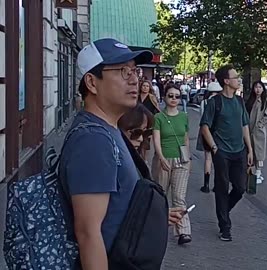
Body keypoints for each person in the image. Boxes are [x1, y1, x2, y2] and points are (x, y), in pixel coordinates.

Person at [58, 38, 155, 269]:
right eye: (123, 71)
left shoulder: (108, 129)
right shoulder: (93, 140)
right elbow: (89, 234)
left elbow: (115, 205)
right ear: (92, 82)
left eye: (135, 70)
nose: (134, 79)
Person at [200, 64, 253, 242]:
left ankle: (224, 211)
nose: (238, 79)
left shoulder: (239, 101)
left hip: (239, 151)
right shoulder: (215, 102)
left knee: (240, 187)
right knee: (222, 188)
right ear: (226, 81)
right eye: (235, 76)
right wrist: (214, 147)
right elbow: (204, 126)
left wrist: (250, 149)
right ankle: (225, 227)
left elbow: (244, 125)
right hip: (221, 151)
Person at [118, 103, 185, 226]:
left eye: (145, 133)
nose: (141, 139)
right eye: (135, 132)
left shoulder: (133, 159)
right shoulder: (116, 160)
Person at [152, 84, 192, 245]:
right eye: (171, 96)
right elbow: (156, 139)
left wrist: (188, 159)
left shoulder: (184, 117)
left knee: (179, 197)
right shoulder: (159, 118)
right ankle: (157, 227)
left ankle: (183, 231)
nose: (174, 99)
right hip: (164, 159)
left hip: (181, 160)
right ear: (165, 97)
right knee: (161, 196)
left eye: (177, 96)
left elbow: (186, 138)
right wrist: (161, 158)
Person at [197, 81, 223, 193]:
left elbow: (202, 116)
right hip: (219, 132)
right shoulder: (221, 102)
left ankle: (206, 185)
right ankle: (218, 185)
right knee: (218, 159)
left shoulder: (204, 102)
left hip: (207, 131)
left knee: (208, 158)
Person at [245, 81, 267, 184]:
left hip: (259, 131)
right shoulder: (250, 101)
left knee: (259, 152)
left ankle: (258, 172)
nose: (258, 89)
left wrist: (260, 125)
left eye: (260, 87)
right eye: (256, 87)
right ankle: (251, 171)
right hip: (249, 130)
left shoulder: (265, 101)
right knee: (249, 150)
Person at [138, 80, 160, 160]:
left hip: (148, 124)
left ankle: (144, 160)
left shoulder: (151, 97)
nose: (145, 88)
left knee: (145, 143)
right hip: (136, 122)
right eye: (144, 86)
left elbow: (156, 110)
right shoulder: (137, 96)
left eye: (147, 86)